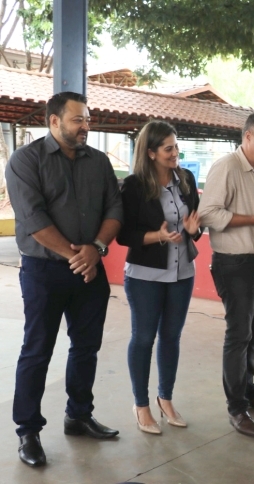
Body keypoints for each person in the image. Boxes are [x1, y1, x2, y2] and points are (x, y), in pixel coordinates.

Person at [5, 92, 124, 467]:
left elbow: (114, 208)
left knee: (86, 347)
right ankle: (28, 431)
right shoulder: (26, 161)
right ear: (54, 122)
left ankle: (78, 415)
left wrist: (98, 247)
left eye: (87, 119)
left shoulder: (99, 161)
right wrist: (79, 254)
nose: (85, 125)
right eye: (78, 120)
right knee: (37, 350)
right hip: (44, 272)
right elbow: (33, 220)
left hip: (91, 267)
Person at [198, 112, 254, 437]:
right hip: (234, 264)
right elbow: (207, 214)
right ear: (248, 137)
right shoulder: (226, 167)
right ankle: (236, 409)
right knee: (238, 335)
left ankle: (248, 391)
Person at [117, 121, 202, 435]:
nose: (175, 153)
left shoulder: (186, 179)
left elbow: (194, 222)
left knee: (171, 338)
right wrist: (158, 236)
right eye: (168, 148)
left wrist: (194, 230)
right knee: (143, 338)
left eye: (176, 147)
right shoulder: (134, 185)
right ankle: (142, 406)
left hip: (183, 273)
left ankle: (165, 399)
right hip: (145, 275)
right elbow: (124, 235)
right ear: (151, 152)